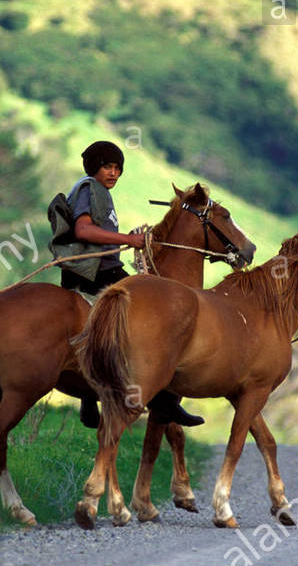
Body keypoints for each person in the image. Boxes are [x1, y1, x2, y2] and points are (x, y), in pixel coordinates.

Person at [53, 140, 203, 429]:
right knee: (153, 315)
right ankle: (164, 400)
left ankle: (91, 398)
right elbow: (83, 230)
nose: (113, 173)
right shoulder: (89, 188)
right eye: (107, 166)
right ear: (95, 167)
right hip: (96, 272)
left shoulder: (98, 192)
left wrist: (127, 238)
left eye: (118, 168)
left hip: (102, 269)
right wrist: (129, 240)